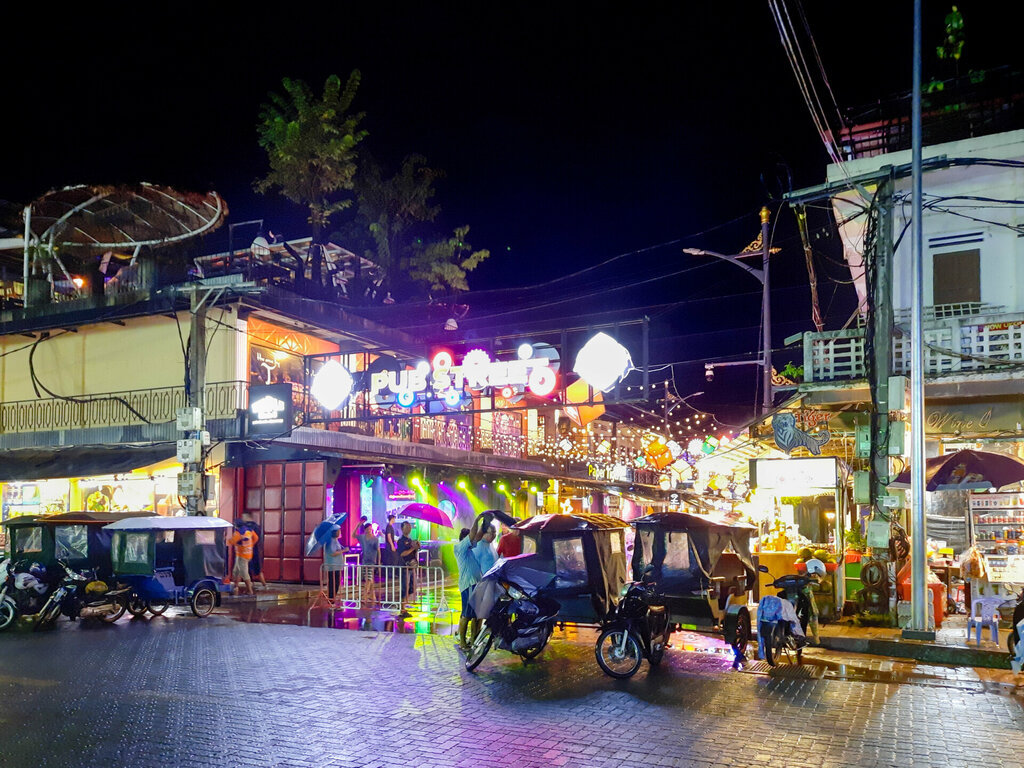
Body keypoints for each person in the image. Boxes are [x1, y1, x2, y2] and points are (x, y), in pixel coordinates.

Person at [454, 521, 485, 650]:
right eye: (470, 540)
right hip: (468, 585)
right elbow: (473, 535)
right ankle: (462, 642)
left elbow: (477, 536)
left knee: (476, 615)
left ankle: (473, 640)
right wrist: (477, 520)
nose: (473, 542)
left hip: (476, 584)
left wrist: (484, 525)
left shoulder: (469, 550)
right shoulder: (460, 548)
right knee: (466, 615)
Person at [229, 521, 259, 595]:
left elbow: (232, 541)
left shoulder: (238, 533)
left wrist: (226, 540)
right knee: (237, 571)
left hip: (242, 555)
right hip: (248, 554)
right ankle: (236, 587)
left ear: (236, 526)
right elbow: (256, 538)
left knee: (244, 572)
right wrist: (251, 545)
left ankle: (250, 590)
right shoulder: (249, 530)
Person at [242, 512, 268, 590]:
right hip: (255, 551)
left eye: (243, 517)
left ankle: (249, 586)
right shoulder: (257, 526)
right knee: (258, 569)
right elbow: (258, 538)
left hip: (247, 551)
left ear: (247, 517)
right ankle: (265, 585)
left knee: (246, 569)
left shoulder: (245, 527)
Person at [396, 521, 420, 606]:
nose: (409, 529)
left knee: (413, 587)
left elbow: (414, 552)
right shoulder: (400, 541)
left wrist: (417, 547)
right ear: (402, 529)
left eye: (409, 527)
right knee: (404, 587)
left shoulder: (411, 541)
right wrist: (413, 548)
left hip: (412, 567)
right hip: (404, 567)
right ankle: (402, 607)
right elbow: (402, 553)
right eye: (406, 527)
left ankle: (404, 603)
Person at [356, 521, 380, 604]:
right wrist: (358, 526)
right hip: (365, 561)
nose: (369, 530)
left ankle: (364, 595)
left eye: (371, 529)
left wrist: (379, 561)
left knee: (369, 579)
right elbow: (353, 535)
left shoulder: (375, 539)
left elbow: (378, 550)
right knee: (369, 578)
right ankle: (373, 596)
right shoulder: (362, 538)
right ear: (365, 530)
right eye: (368, 529)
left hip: (372, 561)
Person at [323, 525, 347, 599]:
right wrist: (344, 550)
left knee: (336, 583)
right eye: (339, 531)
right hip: (333, 566)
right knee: (333, 583)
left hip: (337, 566)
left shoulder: (336, 541)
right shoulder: (330, 541)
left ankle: (332, 599)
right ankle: (331, 600)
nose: (340, 532)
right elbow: (332, 553)